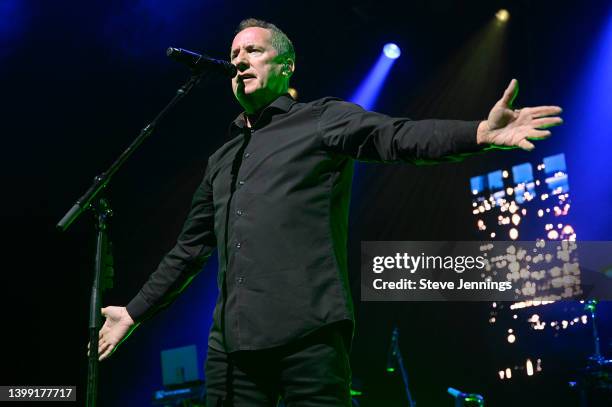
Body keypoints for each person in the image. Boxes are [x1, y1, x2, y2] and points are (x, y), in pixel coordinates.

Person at [96, 18, 562, 406]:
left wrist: (477, 132)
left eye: (253, 52)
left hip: (309, 334)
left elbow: (396, 137)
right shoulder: (223, 159)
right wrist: (134, 313)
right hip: (233, 349)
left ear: (286, 65)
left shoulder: (321, 119)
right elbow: (189, 249)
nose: (238, 61)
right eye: (234, 55)